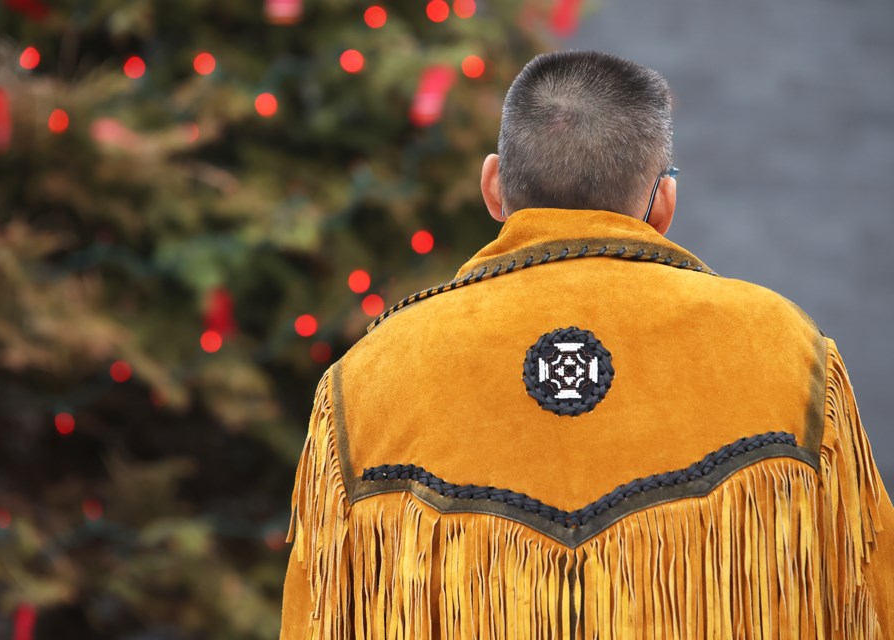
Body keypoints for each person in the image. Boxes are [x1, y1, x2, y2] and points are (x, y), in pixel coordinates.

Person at [280, 50, 894, 638]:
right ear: (663, 204)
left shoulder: (369, 373)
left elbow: (318, 617)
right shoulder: (786, 350)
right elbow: (868, 599)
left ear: (494, 187)